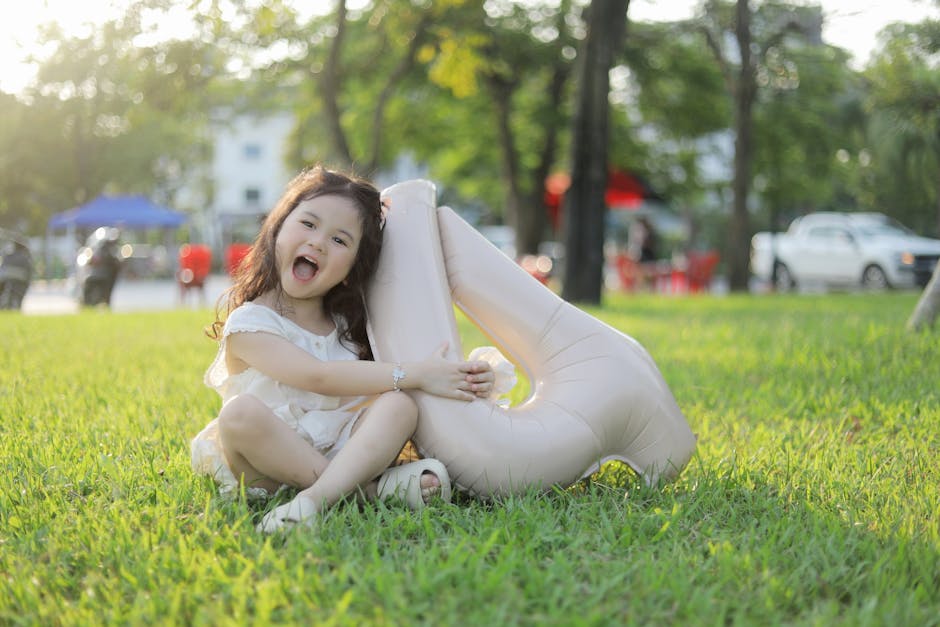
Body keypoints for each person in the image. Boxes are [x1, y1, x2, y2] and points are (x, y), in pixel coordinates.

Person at [190, 165, 496, 534]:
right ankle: (363, 492)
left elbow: (390, 384)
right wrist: (417, 373)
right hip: (264, 463)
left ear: (351, 269)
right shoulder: (251, 322)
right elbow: (317, 376)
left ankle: (316, 499)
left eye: (339, 241)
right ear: (277, 228)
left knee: (399, 405)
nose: (318, 242)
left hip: (344, 450)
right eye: (308, 224)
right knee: (239, 415)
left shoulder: (350, 326)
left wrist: (467, 375)